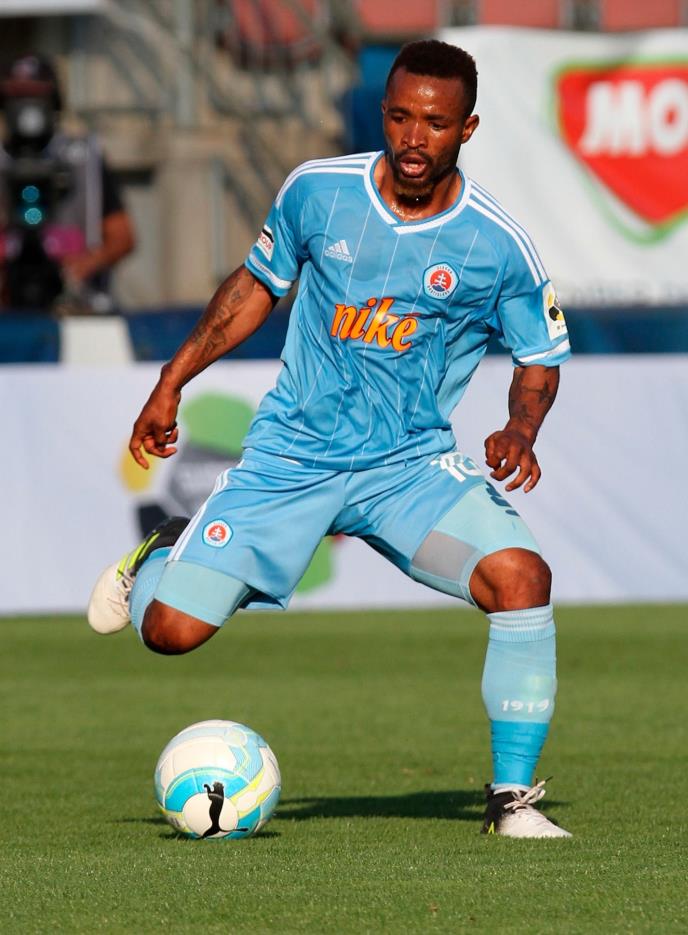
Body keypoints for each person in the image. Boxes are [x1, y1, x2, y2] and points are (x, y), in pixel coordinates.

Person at [88, 40, 571, 838]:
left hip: (408, 471)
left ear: (468, 128)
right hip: (292, 460)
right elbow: (255, 288)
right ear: (383, 112)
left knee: (522, 578)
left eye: (436, 123)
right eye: (401, 117)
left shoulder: (496, 245)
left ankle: (511, 801)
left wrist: (521, 427)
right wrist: (172, 380)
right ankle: (159, 554)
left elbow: (539, 354)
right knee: (170, 633)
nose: (414, 137)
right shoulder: (318, 191)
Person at [0, 55, 135, 312]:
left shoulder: (83, 158)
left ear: (54, 102)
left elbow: (123, 236)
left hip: (78, 306)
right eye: (18, 96)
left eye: (36, 96)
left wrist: (84, 265)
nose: (26, 107)